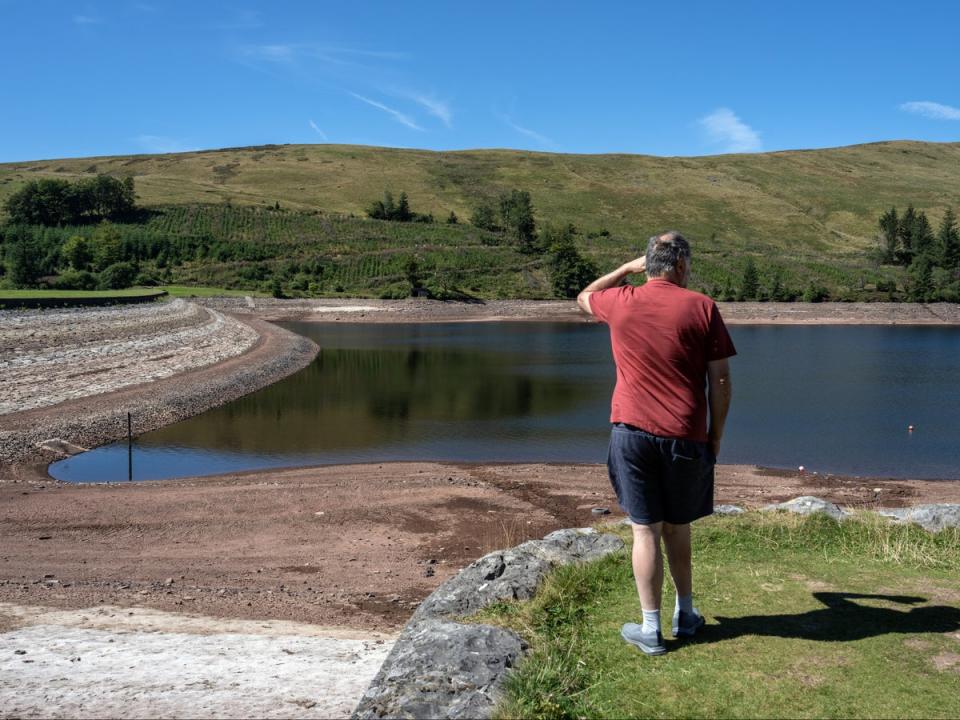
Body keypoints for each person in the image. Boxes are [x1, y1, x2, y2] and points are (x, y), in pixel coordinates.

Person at [577, 231, 735, 656]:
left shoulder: (621, 301)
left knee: (644, 531)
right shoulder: (701, 306)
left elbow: (584, 295)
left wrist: (626, 270)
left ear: (649, 265)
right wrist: (715, 436)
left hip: (631, 435)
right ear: (681, 265)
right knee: (677, 528)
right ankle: (685, 615)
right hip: (685, 435)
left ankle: (651, 630)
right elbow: (719, 381)